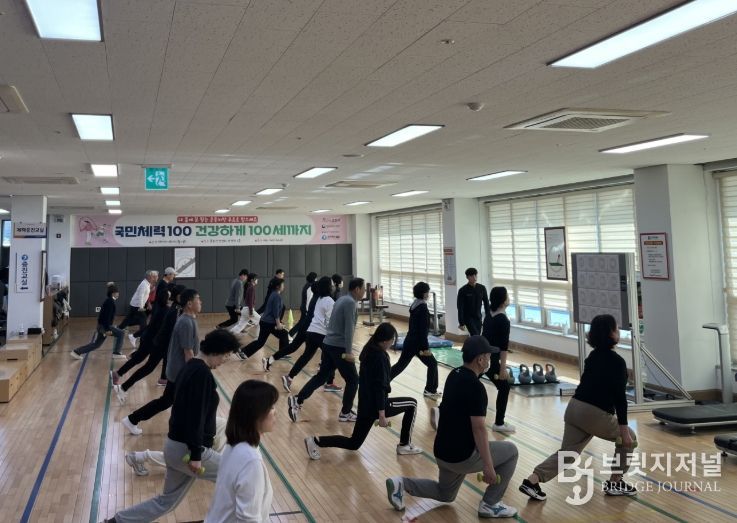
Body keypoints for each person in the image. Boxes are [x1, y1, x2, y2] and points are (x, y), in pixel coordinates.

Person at [102, 329, 240, 523]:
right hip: (189, 451)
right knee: (241, 476)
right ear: (217, 351)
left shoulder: (190, 367)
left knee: (165, 502)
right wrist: (196, 455)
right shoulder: (202, 374)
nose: (224, 361)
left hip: (175, 447)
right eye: (225, 356)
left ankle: (116, 521)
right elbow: (194, 417)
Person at [386, 336, 519, 519]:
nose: (490, 360)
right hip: (461, 456)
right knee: (511, 451)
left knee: (446, 494)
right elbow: (479, 429)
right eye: (488, 357)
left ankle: (401, 483)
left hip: (442, 451)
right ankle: (490, 504)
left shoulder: (454, 374)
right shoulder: (477, 387)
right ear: (480, 360)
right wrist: (488, 466)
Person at [518, 314, 637, 501]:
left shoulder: (592, 356)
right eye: (616, 329)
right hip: (594, 413)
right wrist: (624, 430)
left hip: (574, 408)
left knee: (568, 454)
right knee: (630, 438)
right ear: (610, 334)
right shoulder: (618, 362)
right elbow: (620, 398)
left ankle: (532, 481)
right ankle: (615, 482)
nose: (618, 332)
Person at [304, 322, 422, 460]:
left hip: (365, 405)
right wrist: (382, 414)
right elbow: (380, 388)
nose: (392, 343)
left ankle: (316, 441)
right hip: (378, 405)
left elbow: (376, 382)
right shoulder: (380, 357)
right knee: (412, 404)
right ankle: (404, 444)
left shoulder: (368, 350)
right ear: (385, 341)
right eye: (392, 340)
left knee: (354, 443)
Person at [120, 288, 201, 436]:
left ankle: (133, 419)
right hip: (180, 372)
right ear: (189, 303)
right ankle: (133, 419)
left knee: (168, 400)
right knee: (174, 400)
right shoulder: (186, 322)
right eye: (198, 299)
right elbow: (188, 353)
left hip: (178, 370)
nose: (201, 302)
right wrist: (194, 374)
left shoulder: (189, 320)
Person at [288, 277, 366, 423]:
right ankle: (345, 413)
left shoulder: (342, 299)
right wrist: (348, 352)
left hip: (329, 344)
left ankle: (298, 399)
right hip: (339, 347)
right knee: (353, 380)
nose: (364, 292)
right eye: (363, 289)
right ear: (357, 289)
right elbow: (349, 329)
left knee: (322, 376)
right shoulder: (350, 303)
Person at [204, 380, 278, 522]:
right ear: (256, 414)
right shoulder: (251, 461)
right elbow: (248, 520)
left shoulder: (234, 445)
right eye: (271, 407)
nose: (275, 412)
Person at [111, 284, 184, 404]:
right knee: (145, 365)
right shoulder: (169, 311)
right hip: (154, 341)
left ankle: (123, 382)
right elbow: (164, 330)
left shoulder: (171, 309)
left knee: (146, 365)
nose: (169, 298)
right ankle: (122, 383)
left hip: (157, 342)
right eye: (168, 296)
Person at [278, 276, 338, 393]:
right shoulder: (330, 301)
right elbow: (330, 321)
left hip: (311, 332)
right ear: (328, 286)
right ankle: (329, 382)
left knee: (306, 357)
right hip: (321, 334)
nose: (333, 286)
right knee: (332, 357)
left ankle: (289, 377)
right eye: (331, 284)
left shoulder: (319, 299)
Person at [389, 281, 440, 398]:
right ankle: (430, 390)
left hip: (410, 341)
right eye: (427, 292)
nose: (428, 294)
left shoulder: (415, 305)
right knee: (433, 364)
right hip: (417, 343)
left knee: (400, 365)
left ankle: (383, 380)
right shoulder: (422, 308)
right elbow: (423, 331)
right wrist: (425, 348)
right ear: (424, 293)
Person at [482, 286, 515, 434]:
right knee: (504, 387)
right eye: (507, 295)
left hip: (480, 356)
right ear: (503, 300)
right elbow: (503, 347)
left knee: (466, 384)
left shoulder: (489, 314)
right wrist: (502, 369)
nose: (509, 298)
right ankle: (499, 424)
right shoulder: (503, 319)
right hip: (489, 360)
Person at [237, 277, 288, 361]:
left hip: (265, 322)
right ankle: (282, 354)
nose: (284, 286)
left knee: (260, 342)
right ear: (278, 286)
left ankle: (244, 352)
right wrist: (278, 324)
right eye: (282, 284)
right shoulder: (276, 296)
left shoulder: (273, 294)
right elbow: (275, 312)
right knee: (284, 334)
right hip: (269, 323)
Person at [70, 283, 125, 360]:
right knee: (121, 333)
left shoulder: (109, 301)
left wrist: (112, 285)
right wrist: (107, 329)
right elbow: (106, 317)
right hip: (104, 327)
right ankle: (116, 353)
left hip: (102, 326)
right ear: (113, 293)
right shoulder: (110, 302)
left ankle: (77, 352)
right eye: (117, 292)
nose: (118, 294)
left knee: (97, 344)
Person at [118, 269, 158, 348]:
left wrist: (150, 291)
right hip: (137, 306)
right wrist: (141, 307)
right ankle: (134, 336)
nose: (155, 278)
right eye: (154, 276)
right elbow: (140, 296)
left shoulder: (147, 284)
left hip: (134, 305)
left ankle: (117, 330)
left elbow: (144, 294)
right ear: (149, 277)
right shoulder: (144, 284)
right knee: (144, 324)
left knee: (128, 320)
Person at [456, 267, 490, 336]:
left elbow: (486, 304)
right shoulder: (462, 290)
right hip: (468, 318)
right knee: (475, 334)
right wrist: (461, 322)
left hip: (478, 317)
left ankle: (471, 342)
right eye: (472, 276)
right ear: (467, 277)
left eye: (475, 275)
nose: (474, 278)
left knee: (477, 335)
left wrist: (488, 317)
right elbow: (460, 307)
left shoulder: (482, 288)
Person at [290, 272, 317, 337]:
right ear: (314, 278)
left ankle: (299, 335)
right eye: (316, 278)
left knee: (304, 323)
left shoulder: (307, 285)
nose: (317, 279)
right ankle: (290, 334)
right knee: (301, 323)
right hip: (306, 309)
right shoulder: (310, 287)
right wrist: (308, 311)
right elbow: (309, 300)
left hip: (304, 308)